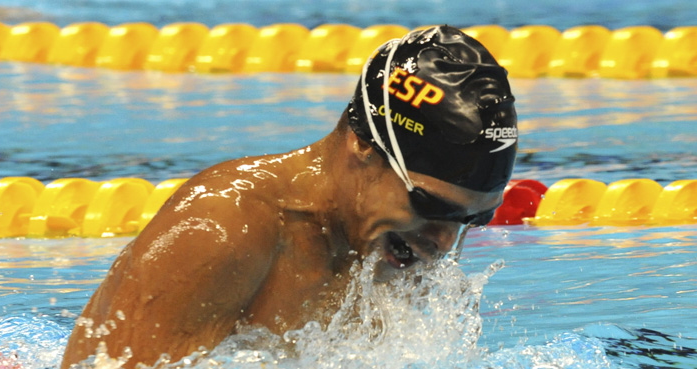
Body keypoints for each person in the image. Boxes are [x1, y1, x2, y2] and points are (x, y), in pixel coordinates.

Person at [61, 25, 518, 368]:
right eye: (431, 205)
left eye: (470, 220)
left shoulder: (400, 246)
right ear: (363, 145)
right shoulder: (223, 229)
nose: (443, 242)